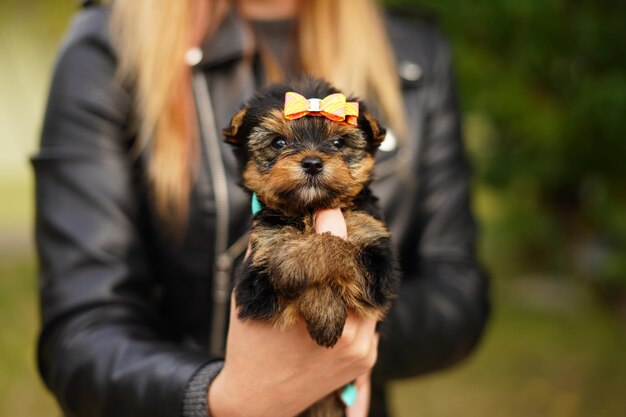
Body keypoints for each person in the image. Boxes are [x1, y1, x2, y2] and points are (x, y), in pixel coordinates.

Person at [33, 0, 490, 416]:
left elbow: (458, 292)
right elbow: (81, 332)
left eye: (337, 144)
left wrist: (357, 341)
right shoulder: (106, 46)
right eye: (276, 145)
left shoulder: (416, 53)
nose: (311, 158)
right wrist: (220, 396)